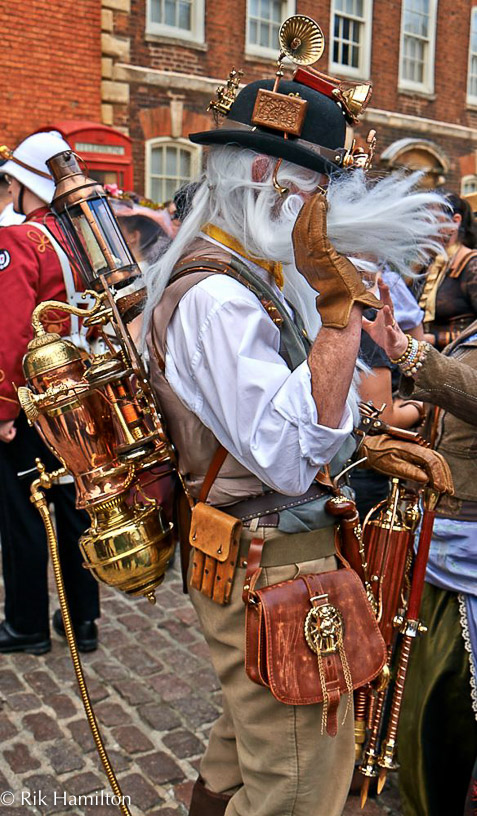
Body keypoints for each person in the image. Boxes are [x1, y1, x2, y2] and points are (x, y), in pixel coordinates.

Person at [141, 43, 452, 815]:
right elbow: (283, 458)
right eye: (316, 180)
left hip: (269, 550)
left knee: (253, 735)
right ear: (260, 175)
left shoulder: (256, 270)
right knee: (302, 775)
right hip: (268, 555)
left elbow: (313, 415)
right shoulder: (219, 295)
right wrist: (340, 318)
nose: (324, 200)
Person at [364, 280, 477, 816]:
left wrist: (409, 351)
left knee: (440, 706)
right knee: (426, 708)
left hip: (466, 553)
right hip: (449, 540)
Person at [0, 131, 100, 654]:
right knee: (74, 507)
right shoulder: (76, 236)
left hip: (34, 403)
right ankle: (82, 620)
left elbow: (11, 331)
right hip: (80, 397)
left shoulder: (20, 241)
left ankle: (26, 625)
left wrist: (1, 409)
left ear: (23, 186)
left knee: (21, 513)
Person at [418, 191, 477, 349]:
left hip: (463, 365)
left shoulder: (472, 265)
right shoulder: (429, 265)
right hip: (431, 364)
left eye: (432, 220)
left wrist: (434, 339)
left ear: (455, 222)